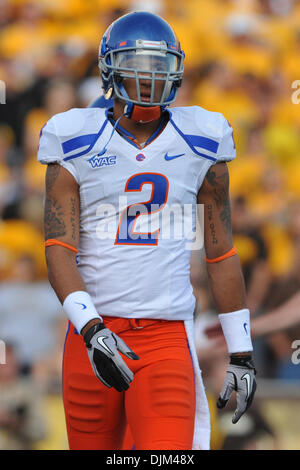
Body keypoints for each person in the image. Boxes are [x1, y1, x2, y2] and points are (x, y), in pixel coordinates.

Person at [37, 11, 256, 450]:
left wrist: (241, 351)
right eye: (136, 63)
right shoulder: (74, 136)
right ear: (109, 67)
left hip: (165, 336)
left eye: (159, 66)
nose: (148, 76)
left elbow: (221, 252)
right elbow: (59, 248)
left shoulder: (202, 139)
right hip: (91, 334)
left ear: (176, 68)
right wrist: (91, 328)